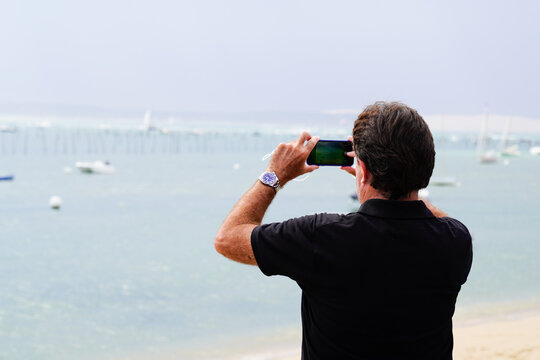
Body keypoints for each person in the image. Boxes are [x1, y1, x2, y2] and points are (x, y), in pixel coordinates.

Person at [214, 101, 473, 360]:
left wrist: (274, 175)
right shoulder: (455, 243)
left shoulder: (322, 237)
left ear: (364, 171)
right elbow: (431, 217)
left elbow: (227, 238)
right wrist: (379, 180)